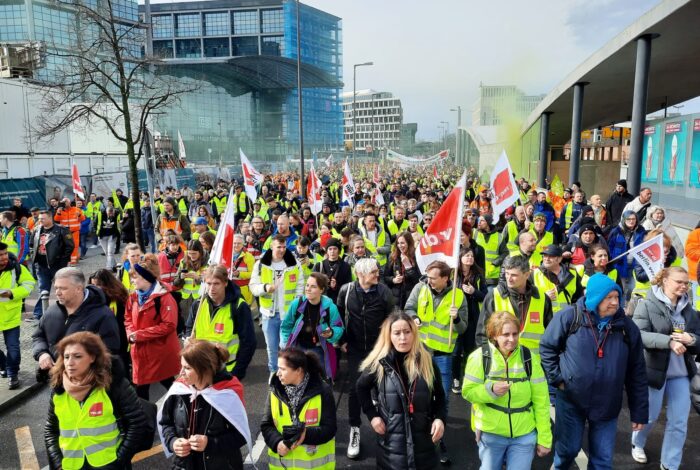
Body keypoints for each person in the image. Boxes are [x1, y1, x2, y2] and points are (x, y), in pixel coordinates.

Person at [539, 273, 648, 470]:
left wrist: (639, 411)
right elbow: (547, 348)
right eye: (609, 298)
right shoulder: (570, 317)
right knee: (567, 452)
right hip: (571, 400)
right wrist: (558, 379)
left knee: (603, 461)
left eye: (617, 297)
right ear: (596, 297)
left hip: (608, 404)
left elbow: (637, 371)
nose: (615, 303)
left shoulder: (627, 328)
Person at [356, 311, 446, 469]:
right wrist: (372, 416)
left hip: (424, 446)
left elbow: (440, 397)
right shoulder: (379, 363)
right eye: (397, 333)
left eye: (407, 332)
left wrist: (440, 419)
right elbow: (361, 387)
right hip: (391, 448)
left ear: (414, 333)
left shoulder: (427, 362)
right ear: (389, 335)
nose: (403, 338)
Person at [45, 332, 147, 470]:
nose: (69, 363)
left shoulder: (113, 385)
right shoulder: (59, 389)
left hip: (108, 465)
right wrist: (58, 464)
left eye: (77, 356)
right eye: (66, 357)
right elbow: (51, 430)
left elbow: (138, 423)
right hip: (71, 466)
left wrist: (120, 460)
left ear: (92, 357)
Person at [630, 266, 700, 469]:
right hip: (653, 371)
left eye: (686, 283)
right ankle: (637, 443)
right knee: (649, 416)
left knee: (678, 422)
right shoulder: (647, 304)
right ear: (665, 281)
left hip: (680, 374)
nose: (684, 286)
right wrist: (667, 342)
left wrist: (692, 339)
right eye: (679, 281)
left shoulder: (689, 309)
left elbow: (699, 339)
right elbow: (638, 335)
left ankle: (670, 464)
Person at [462, 312, 552, 470]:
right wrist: (490, 390)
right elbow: (468, 392)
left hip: (524, 435)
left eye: (515, 334)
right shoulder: (479, 358)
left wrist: (544, 438)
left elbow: (541, 401)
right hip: (491, 435)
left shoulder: (529, 358)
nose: (512, 339)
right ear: (494, 335)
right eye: (505, 334)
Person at [404, 260, 468, 463]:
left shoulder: (458, 296)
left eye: (433, 278)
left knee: (442, 400)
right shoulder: (420, 287)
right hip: (419, 354)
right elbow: (408, 307)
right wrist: (413, 317)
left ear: (445, 278)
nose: (428, 281)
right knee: (415, 398)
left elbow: (463, 328)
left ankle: (438, 439)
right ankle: (415, 439)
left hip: (443, 357)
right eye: (428, 277)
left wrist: (456, 319)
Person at [158, 340, 251, 470]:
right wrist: (173, 442)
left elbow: (241, 435)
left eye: (187, 368)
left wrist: (210, 443)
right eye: (181, 366)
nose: (181, 373)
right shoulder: (179, 389)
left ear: (204, 369)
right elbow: (166, 423)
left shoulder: (228, 393)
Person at [337, 258, 395, 459]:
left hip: (379, 349)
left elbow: (392, 318)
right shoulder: (346, 291)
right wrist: (342, 340)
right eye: (373, 272)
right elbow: (338, 316)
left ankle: (386, 430)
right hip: (355, 349)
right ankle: (355, 429)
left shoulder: (384, 292)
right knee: (355, 389)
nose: (377, 275)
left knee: (382, 388)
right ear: (360, 275)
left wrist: (389, 344)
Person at [32, 267, 120, 383]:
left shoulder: (103, 315)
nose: (57, 293)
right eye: (56, 288)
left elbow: (109, 352)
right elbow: (38, 336)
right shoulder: (52, 311)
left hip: (86, 384)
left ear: (78, 289)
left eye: (63, 288)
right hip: (57, 381)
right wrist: (42, 354)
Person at [261, 347, 337, 470]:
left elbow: (330, 429)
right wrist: (277, 442)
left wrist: (304, 434)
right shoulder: (275, 390)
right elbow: (266, 425)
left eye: (283, 369)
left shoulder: (323, 392)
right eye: (278, 368)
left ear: (298, 371)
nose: (278, 373)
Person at [124, 254, 181, 400]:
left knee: (165, 381)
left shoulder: (164, 298)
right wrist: (131, 333)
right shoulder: (134, 296)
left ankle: (182, 407)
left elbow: (169, 325)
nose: (132, 280)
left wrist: (138, 335)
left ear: (145, 278)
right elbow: (128, 318)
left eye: (135, 277)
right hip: (141, 351)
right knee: (142, 385)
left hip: (159, 351)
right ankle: (146, 418)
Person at [186, 264, 256, 380]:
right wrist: (188, 337)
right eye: (208, 284)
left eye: (216, 284)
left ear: (225, 283)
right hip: (200, 368)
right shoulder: (198, 304)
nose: (211, 288)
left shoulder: (238, 306)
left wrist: (237, 373)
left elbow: (249, 343)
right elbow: (189, 328)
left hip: (226, 372)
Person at [250, 234, 304, 374]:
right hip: (269, 314)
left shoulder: (294, 263)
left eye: (284, 246)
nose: (282, 249)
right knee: (272, 347)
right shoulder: (261, 264)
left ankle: (288, 372)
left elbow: (300, 284)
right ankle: (274, 373)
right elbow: (253, 286)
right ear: (271, 246)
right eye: (278, 247)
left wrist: (296, 303)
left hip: (288, 314)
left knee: (287, 346)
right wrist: (265, 287)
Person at [477, 255, 553, 355]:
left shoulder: (542, 298)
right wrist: (487, 358)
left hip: (534, 364)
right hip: (502, 363)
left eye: (514, 275)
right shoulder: (494, 296)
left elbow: (551, 335)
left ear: (526, 275)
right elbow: (482, 334)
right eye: (507, 274)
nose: (509, 278)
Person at [280, 272, 344, 380]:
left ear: (322, 290)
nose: (308, 289)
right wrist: (286, 344)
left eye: (313, 286)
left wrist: (332, 332)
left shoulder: (330, 307)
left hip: (319, 349)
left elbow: (339, 327)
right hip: (298, 347)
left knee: (320, 380)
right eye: (307, 285)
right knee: (297, 379)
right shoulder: (297, 304)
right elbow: (286, 326)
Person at [451, 246, 487, 394]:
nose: (470, 258)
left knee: (469, 349)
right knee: (455, 350)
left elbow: (485, 296)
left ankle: (468, 376)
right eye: (467, 256)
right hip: (457, 317)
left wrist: (474, 292)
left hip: (472, 317)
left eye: (471, 256)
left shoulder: (478, 275)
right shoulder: (453, 274)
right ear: (460, 258)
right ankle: (455, 379)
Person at [0, 242, 35, 389]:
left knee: (13, 348)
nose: (3, 258)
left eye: (5, 254)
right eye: (0, 255)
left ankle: (12, 374)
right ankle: (4, 365)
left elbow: (29, 284)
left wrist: (12, 293)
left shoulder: (16, 268)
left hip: (11, 315)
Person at [30, 210, 74, 320]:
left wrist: (61, 260)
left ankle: (66, 311)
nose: (40, 220)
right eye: (39, 219)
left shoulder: (61, 230)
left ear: (50, 218)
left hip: (57, 265)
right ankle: (39, 314)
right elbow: (32, 245)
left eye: (42, 218)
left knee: (62, 289)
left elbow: (70, 246)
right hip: (41, 265)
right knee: (43, 289)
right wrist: (33, 257)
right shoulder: (36, 230)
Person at [88, 269, 131, 374]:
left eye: (98, 285)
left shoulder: (118, 298)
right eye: (92, 285)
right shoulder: (93, 299)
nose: (95, 288)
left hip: (120, 336)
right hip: (104, 337)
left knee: (121, 363)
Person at [607, 210, 646, 300]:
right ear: (624, 220)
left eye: (633, 219)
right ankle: (620, 306)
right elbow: (609, 247)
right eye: (628, 219)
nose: (631, 221)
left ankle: (629, 307)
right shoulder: (616, 231)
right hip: (620, 265)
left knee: (633, 287)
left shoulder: (641, 231)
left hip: (635, 264)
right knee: (621, 288)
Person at [532, 245, 583, 314]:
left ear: (559, 259)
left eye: (551, 256)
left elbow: (579, 296)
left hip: (567, 316)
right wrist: (544, 297)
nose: (547, 259)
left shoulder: (573, 273)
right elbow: (527, 297)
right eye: (545, 256)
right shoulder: (534, 274)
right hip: (544, 316)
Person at [172, 239, 206, 333]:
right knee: (187, 323)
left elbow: (210, 282)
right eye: (190, 253)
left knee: (199, 322)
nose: (192, 256)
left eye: (194, 253)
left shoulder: (206, 263)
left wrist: (198, 278)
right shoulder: (183, 261)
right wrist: (180, 277)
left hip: (200, 298)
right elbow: (175, 282)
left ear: (200, 252)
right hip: (185, 299)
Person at [312, 238, 352, 305]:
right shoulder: (319, 266)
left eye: (335, 249)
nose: (332, 251)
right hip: (321, 303)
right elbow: (313, 284)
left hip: (339, 303)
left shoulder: (346, 266)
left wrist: (336, 287)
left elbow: (348, 288)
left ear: (339, 250)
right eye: (330, 249)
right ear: (327, 251)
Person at [54, 198, 86, 265]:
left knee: (74, 246)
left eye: (66, 201)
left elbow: (83, 219)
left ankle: (73, 261)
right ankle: (69, 260)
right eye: (63, 202)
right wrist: (58, 212)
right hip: (65, 232)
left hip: (75, 231)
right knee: (66, 246)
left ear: (69, 202)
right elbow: (56, 219)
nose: (65, 203)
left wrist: (79, 215)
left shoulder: (77, 209)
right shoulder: (60, 210)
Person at [230, 234, 256, 305]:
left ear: (243, 244)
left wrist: (239, 274)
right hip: (230, 289)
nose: (236, 245)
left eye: (239, 243)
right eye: (234, 243)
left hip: (244, 291)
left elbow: (253, 274)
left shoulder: (249, 257)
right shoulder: (227, 256)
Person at [96, 206, 120, 271]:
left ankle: (109, 267)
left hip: (112, 235)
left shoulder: (117, 213)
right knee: (107, 252)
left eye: (112, 214)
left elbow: (119, 223)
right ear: (106, 212)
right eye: (109, 214)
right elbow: (95, 223)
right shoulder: (100, 213)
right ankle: (114, 265)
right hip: (102, 236)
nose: (111, 215)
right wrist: (98, 232)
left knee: (110, 252)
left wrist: (119, 233)